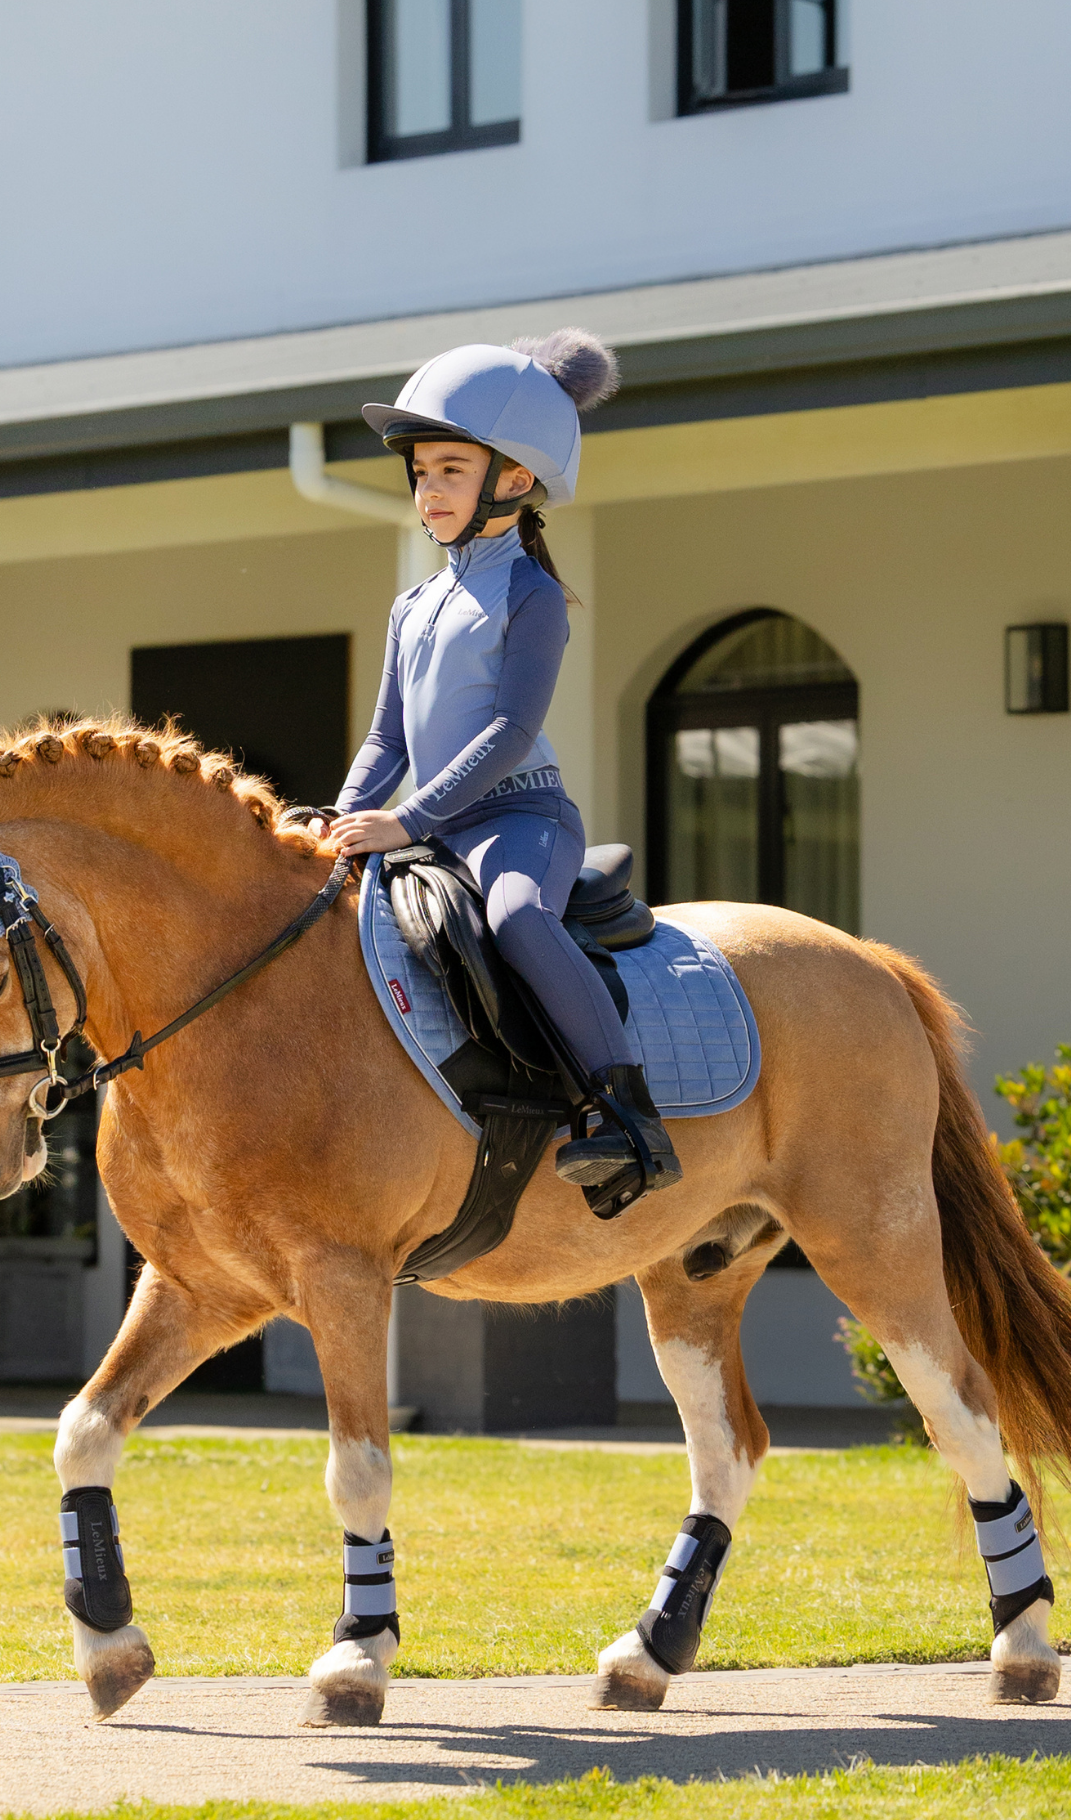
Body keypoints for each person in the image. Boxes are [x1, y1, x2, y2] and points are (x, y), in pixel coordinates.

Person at [326, 328, 682, 1215]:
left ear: (514, 480)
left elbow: (512, 734)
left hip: (520, 819)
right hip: (436, 825)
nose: (427, 488)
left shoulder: (532, 596)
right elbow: (386, 741)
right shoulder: (413, 604)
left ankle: (627, 1114)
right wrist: (337, 822)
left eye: (450, 468)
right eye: (420, 471)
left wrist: (404, 824)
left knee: (518, 916)